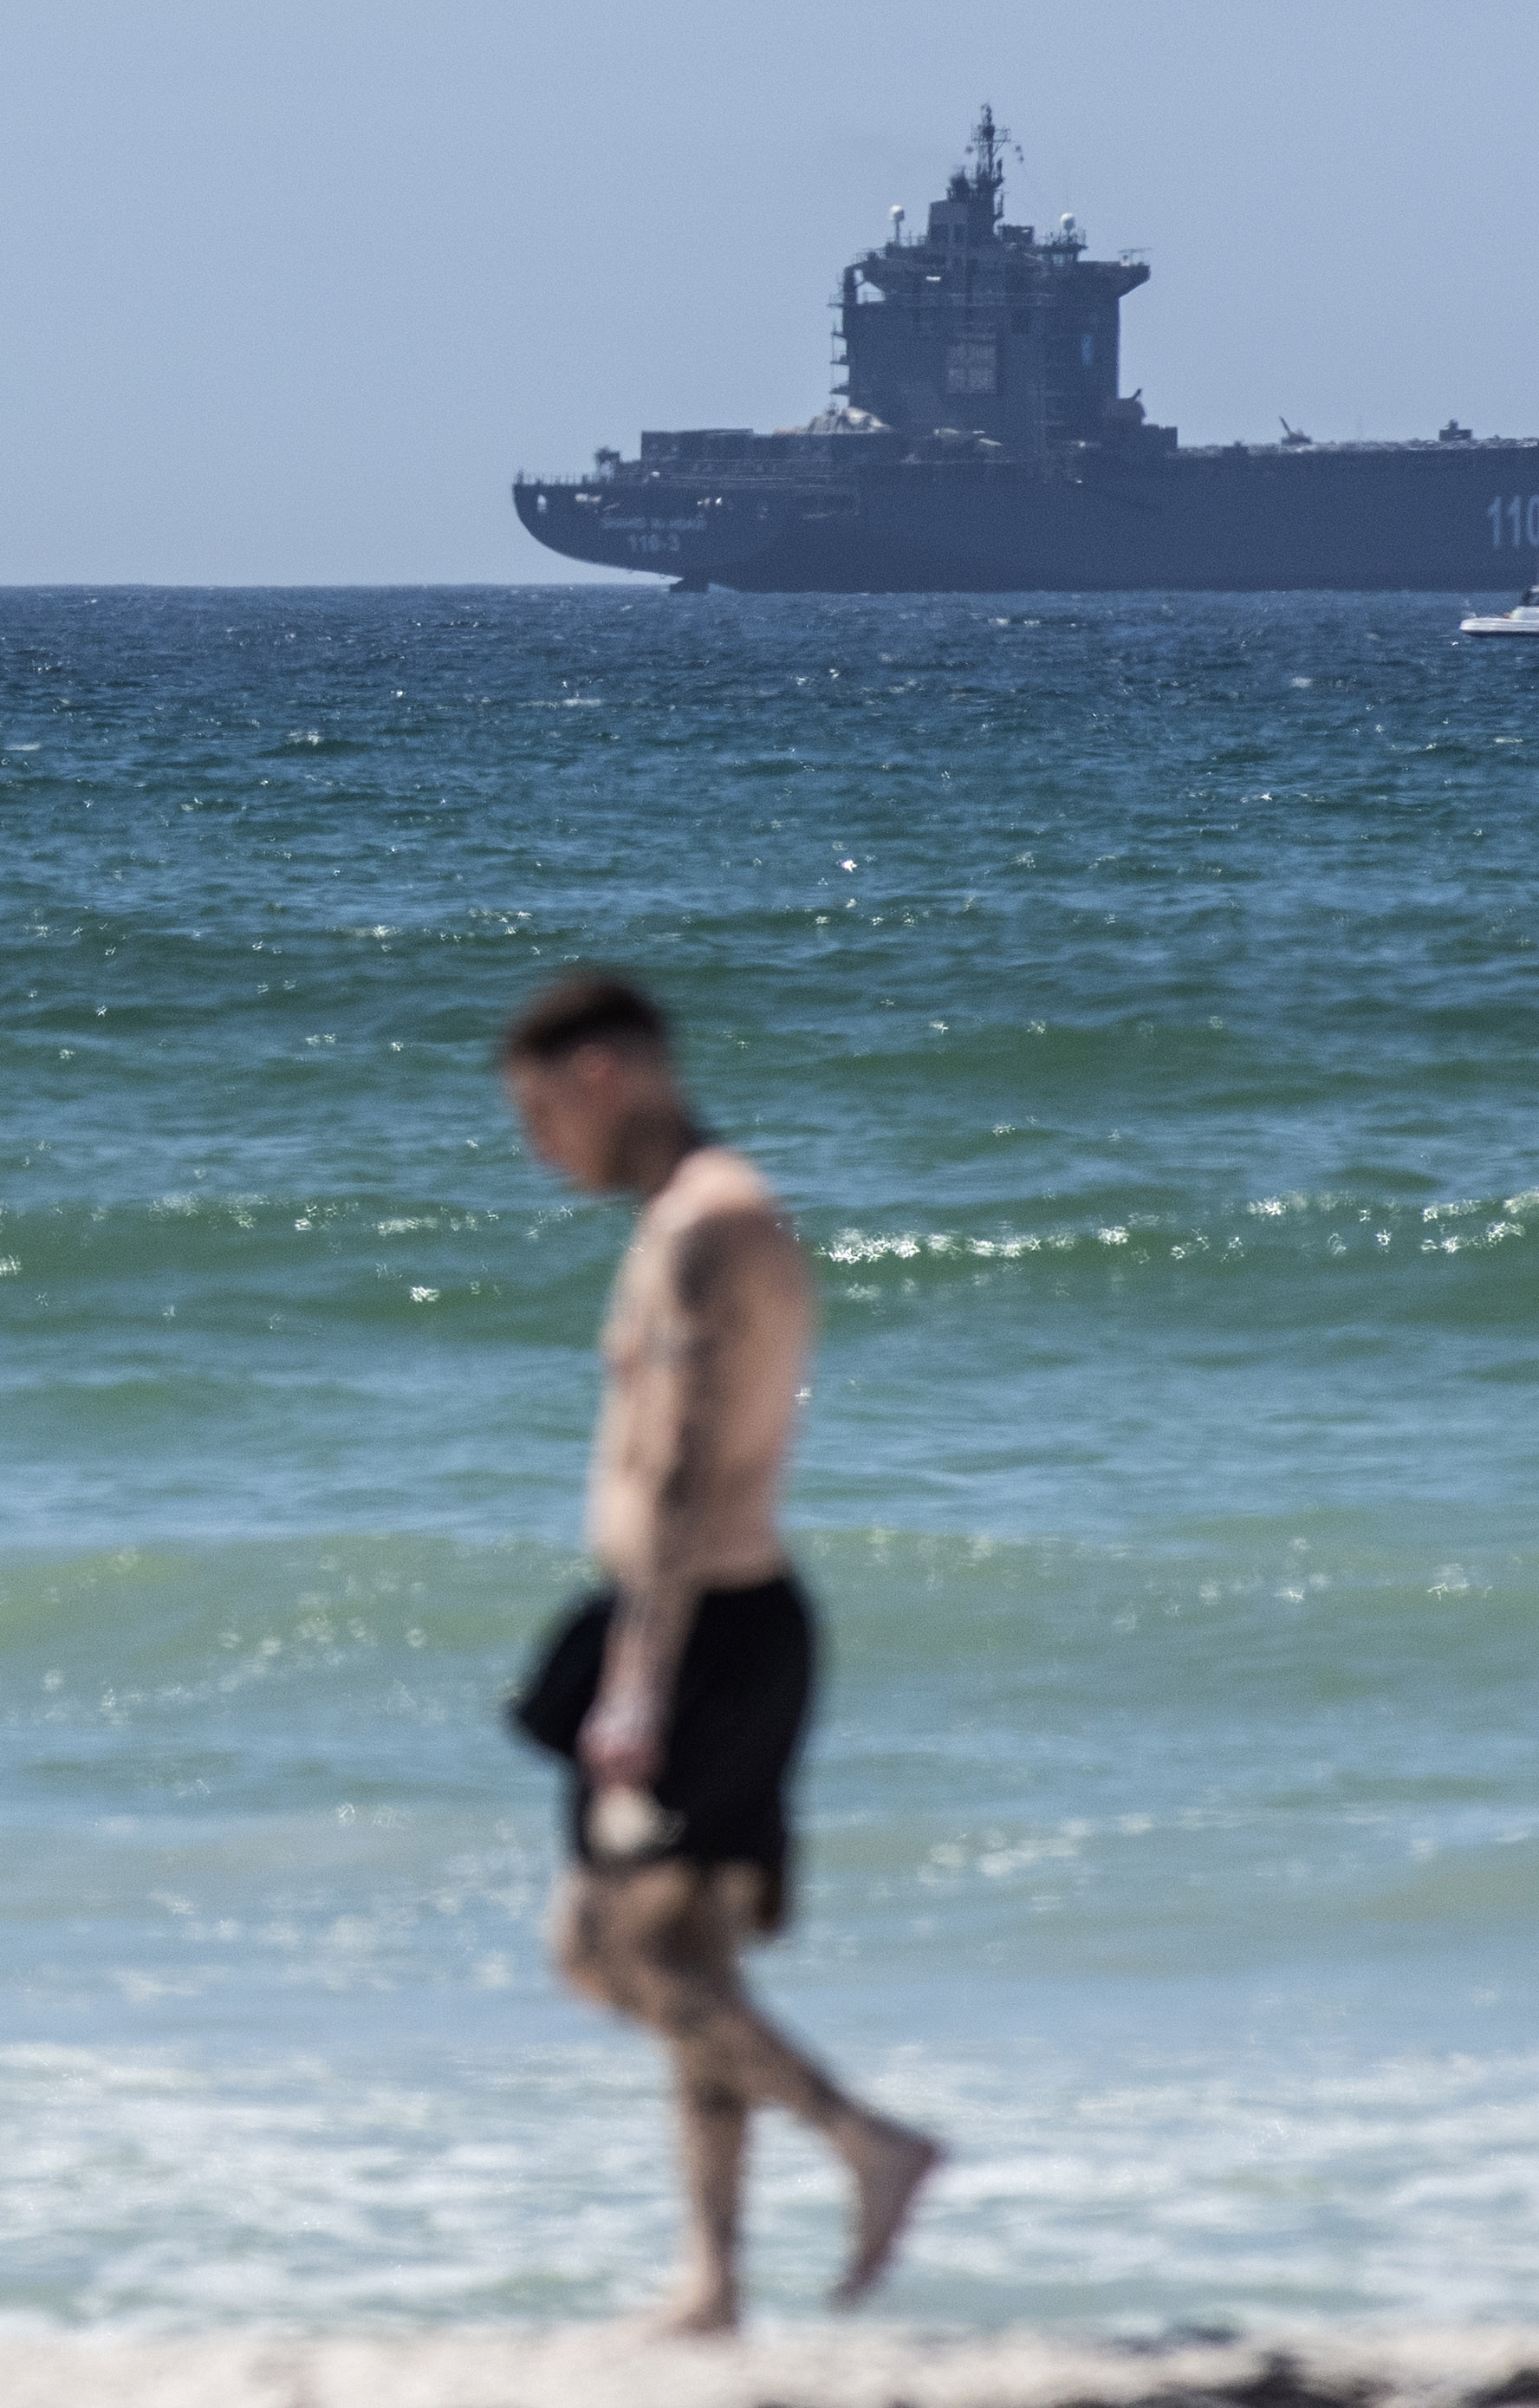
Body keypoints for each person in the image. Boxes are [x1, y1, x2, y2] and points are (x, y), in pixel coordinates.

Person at [497, 969, 938, 2337]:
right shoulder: (698, 1214)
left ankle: (865, 2140)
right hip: (695, 1616)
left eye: (539, 1115)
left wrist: (637, 1681)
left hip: (702, 1627)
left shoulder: (705, 1224)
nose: (538, 1150)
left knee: (604, 1946)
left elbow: (685, 1472)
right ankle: (713, 2278)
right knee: (685, 1952)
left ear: (601, 1077)